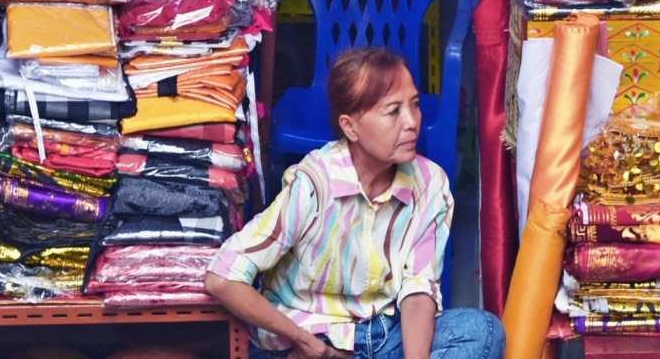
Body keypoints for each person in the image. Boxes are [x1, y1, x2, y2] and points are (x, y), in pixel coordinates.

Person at [205, 47, 504, 359]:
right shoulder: (314, 184)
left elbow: (418, 289)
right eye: (393, 111)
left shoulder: (429, 183)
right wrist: (303, 341)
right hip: (314, 339)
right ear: (350, 127)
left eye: (414, 105)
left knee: (482, 331)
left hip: (386, 335)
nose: (412, 122)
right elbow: (223, 278)